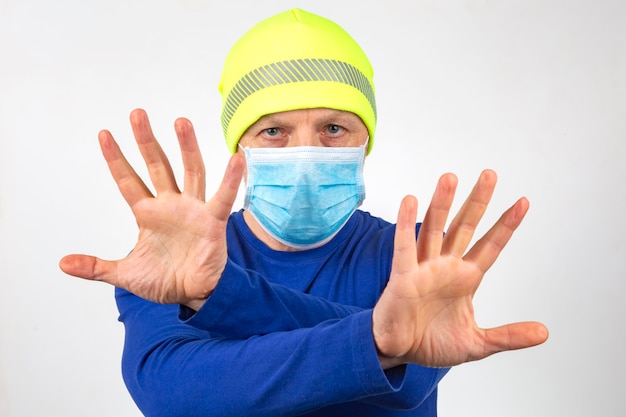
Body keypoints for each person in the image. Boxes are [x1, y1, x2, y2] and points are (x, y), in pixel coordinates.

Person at [59, 8, 548, 417]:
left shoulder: (416, 254)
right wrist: (377, 342)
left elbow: (397, 398)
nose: (308, 152)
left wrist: (218, 295)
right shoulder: (171, 256)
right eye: (274, 131)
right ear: (239, 146)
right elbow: (178, 393)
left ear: (366, 142)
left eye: (334, 128)